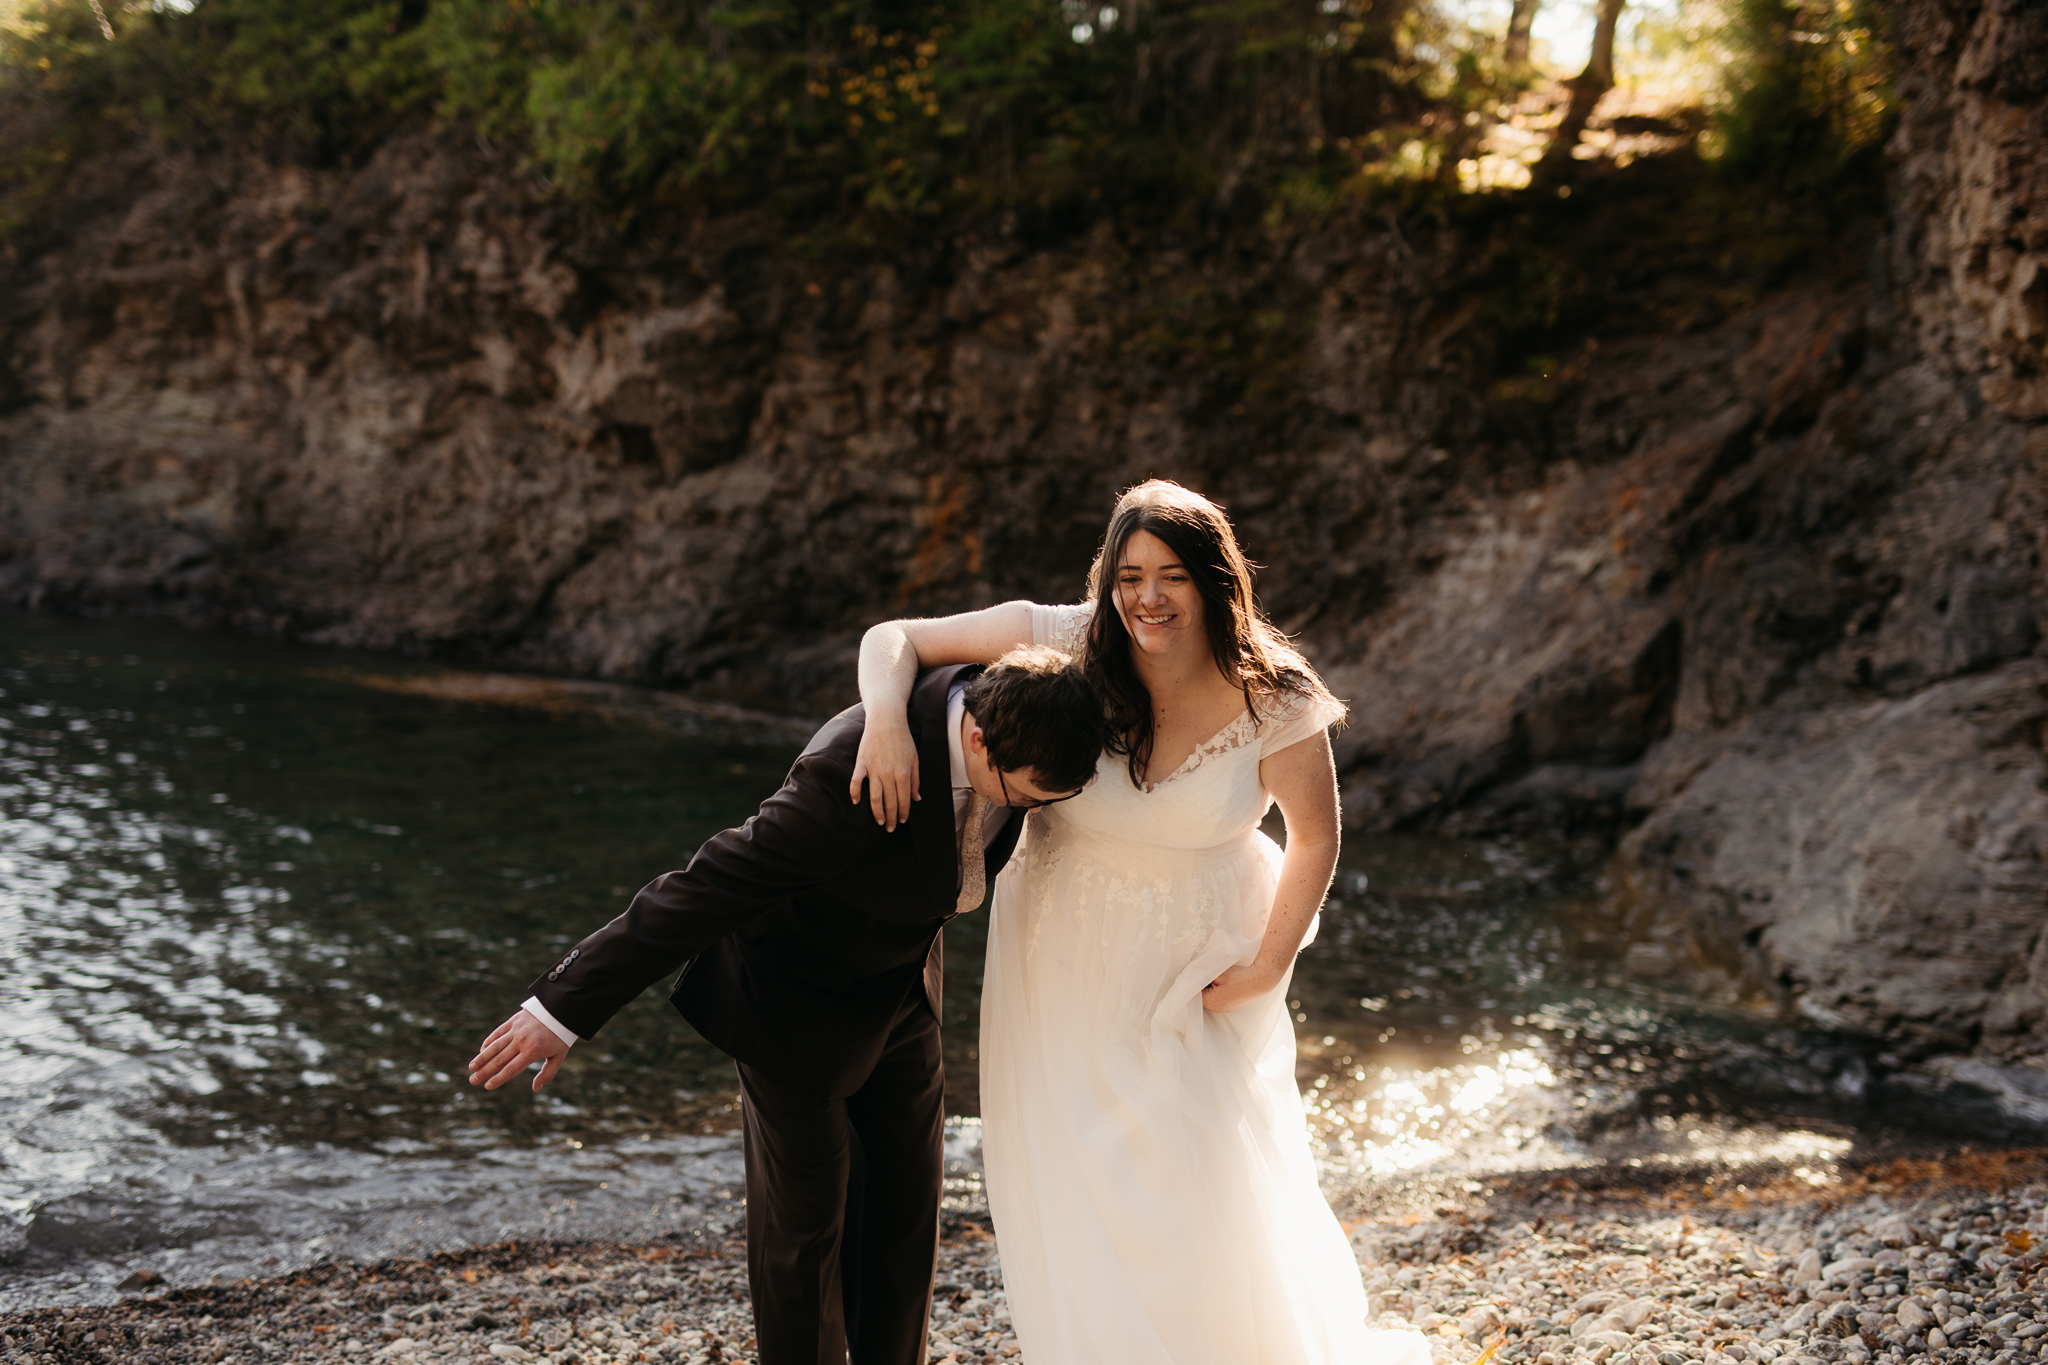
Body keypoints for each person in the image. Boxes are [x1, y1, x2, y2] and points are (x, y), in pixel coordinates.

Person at [850, 481, 1431, 1365]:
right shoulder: (1063, 639)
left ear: (1212, 581)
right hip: (1055, 957)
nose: (1146, 598)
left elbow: (1315, 835)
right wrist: (887, 721)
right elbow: (896, 639)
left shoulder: (1273, 693)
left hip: (1199, 967)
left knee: (1191, 1183)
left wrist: (1269, 965)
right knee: (1078, 1183)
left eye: (1170, 576)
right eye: (1128, 576)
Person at [467, 647, 1103, 1365]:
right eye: (1025, 795)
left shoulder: (1028, 703)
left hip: (902, 987)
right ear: (979, 739)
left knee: (906, 1212)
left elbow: (904, 637)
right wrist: (561, 1009)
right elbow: (706, 886)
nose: (1033, 810)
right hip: (795, 1002)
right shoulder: (851, 775)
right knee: (805, 1229)